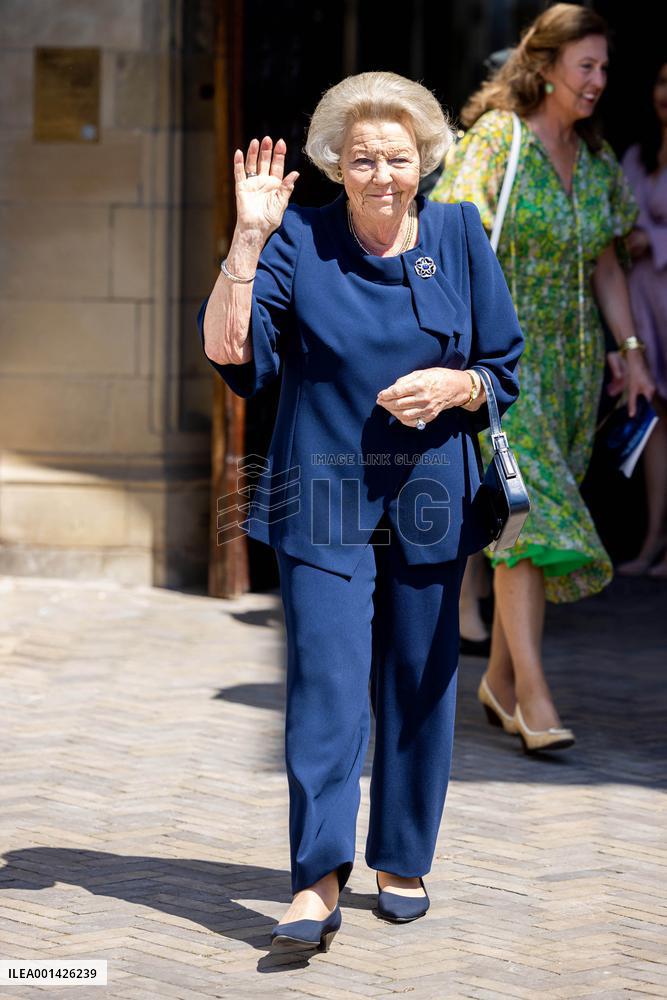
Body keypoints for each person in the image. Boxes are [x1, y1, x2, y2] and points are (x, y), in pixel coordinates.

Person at [197, 71, 523, 952]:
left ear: (424, 161)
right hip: (325, 492)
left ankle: (403, 855)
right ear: (334, 165)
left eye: (397, 156)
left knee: (419, 682)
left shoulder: (456, 236)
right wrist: (247, 238)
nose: (382, 172)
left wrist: (458, 385)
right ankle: (316, 879)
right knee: (327, 687)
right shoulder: (297, 239)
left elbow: (504, 367)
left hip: (430, 492)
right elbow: (236, 354)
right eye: (362, 157)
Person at [430, 4, 654, 752]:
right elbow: (448, 234)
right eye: (584, 66)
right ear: (547, 64)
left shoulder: (592, 163)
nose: (597, 81)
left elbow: (604, 264)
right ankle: (533, 695)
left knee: (518, 523)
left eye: (602, 69)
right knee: (530, 518)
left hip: (570, 370)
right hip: (500, 366)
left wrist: (629, 353)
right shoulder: (498, 141)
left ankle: (496, 680)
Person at [618, 61, 667, 578]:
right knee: (654, 419)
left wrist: (650, 240)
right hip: (643, 302)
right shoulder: (635, 154)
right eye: (660, 81)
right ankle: (653, 537)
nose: (665, 93)